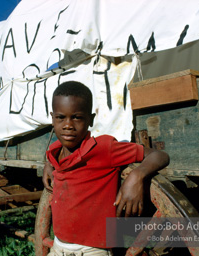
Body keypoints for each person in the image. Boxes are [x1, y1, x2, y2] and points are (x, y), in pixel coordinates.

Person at [43, 81, 170, 256]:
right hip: (58, 246)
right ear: (52, 118)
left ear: (90, 119)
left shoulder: (104, 149)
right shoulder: (54, 150)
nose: (68, 125)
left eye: (77, 117)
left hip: (93, 251)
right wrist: (48, 164)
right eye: (60, 117)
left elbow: (160, 156)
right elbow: (51, 153)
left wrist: (136, 176)